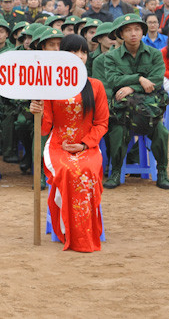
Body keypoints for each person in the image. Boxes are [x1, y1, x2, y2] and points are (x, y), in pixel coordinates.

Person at [28, 35, 108, 252]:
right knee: (67, 172)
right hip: (57, 147)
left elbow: (101, 124)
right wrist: (37, 109)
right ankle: (67, 230)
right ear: (62, 56)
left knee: (86, 171)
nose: (79, 57)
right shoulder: (50, 86)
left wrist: (84, 144)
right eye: (73, 52)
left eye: (83, 52)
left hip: (87, 147)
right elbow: (45, 129)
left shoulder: (96, 86)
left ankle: (84, 231)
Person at [102, 14, 169, 189]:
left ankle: (162, 172)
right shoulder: (111, 57)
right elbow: (112, 80)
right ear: (121, 34)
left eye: (137, 29)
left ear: (143, 32)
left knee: (161, 132)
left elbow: (156, 80)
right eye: (128, 30)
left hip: (148, 111)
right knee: (117, 132)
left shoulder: (155, 54)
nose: (133, 33)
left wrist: (133, 87)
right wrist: (140, 78)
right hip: (123, 111)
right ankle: (116, 171)